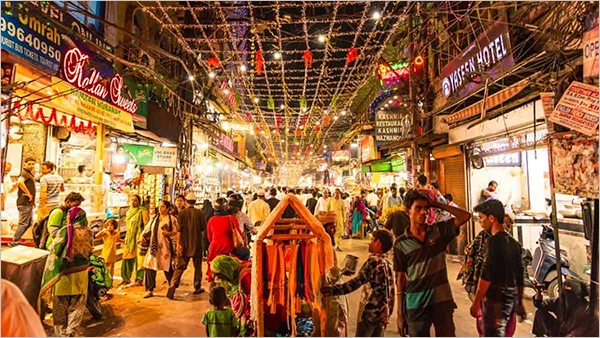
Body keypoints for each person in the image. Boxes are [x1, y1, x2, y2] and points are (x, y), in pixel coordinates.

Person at [395, 189, 472, 337]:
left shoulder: (439, 232)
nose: (423, 212)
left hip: (441, 301)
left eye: (426, 208)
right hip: (415, 304)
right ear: (407, 211)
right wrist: (400, 314)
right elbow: (400, 278)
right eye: (418, 208)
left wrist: (438, 204)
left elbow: (465, 216)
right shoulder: (401, 244)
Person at [321, 230, 395, 337]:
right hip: (382, 316)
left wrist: (332, 290)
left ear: (378, 243)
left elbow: (355, 283)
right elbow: (391, 292)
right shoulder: (388, 264)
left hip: (370, 314)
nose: (369, 243)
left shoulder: (374, 262)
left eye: (372, 240)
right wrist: (388, 312)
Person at [469, 199, 525, 337]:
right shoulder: (515, 244)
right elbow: (520, 276)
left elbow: (486, 274)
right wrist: (520, 302)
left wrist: (476, 302)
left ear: (492, 218)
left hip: (495, 302)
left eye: (482, 218)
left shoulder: (492, 243)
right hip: (510, 302)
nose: (480, 222)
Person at [40, 203, 93, 337]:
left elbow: (55, 250)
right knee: (77, 306)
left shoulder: (64, 231)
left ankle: (61, 334)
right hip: (80, 276)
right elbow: (90, 251)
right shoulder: (89, 232)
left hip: (63, 276)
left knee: (60, 308)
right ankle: (71, 332)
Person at [168, 193, 206, 299]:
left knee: (180, 266)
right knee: (197, 267)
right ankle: (197, 287)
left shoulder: (182, 214)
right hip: (197, 244)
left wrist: (178, 244)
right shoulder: (200, 213)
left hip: (184, 244)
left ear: (186, 201)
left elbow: (179, 231)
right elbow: (203, 228)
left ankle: (173, 284)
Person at [141, 200, 178, 298]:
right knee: (150, 267)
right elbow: (147, 229)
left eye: (162, 207)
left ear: (167, 208)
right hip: (154, 248)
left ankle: (171, 287)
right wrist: (142, 236)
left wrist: (168, 233)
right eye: (159, 207)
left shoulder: (172, 219)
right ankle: (150, 289)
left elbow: (176, 232)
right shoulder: (154, 218)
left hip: (166, 248)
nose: (160, 209)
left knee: (168, 268)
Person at [211, 255, 253, 336]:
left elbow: (249, 305)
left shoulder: (245, 277)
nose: (216, 278)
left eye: (218, 275)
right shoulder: (234, 275)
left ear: (225, 270)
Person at [121, 195, 149, 287]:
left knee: (139, 260)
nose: (133, 202)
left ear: (139, 201)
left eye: (135, 200)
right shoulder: (129, 212)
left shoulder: (142, 210)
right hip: (129, 238)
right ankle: (126, 278)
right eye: (131, 200)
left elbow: (146, 225)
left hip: (139, 238)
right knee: (126, 258)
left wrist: (144, 236)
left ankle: (139, 279)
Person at [9, 157, 36, 247]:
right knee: (23, 223)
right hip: (24, 203)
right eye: (29, 164)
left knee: (29, 223)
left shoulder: (29, 174)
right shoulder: (25, 173)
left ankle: (16, 240)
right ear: (24, 164)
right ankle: (15, 242)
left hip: (29, 203)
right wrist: (28, 194)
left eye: (33, 164)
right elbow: (20, 182)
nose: (31, 165)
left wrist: (33, 201)